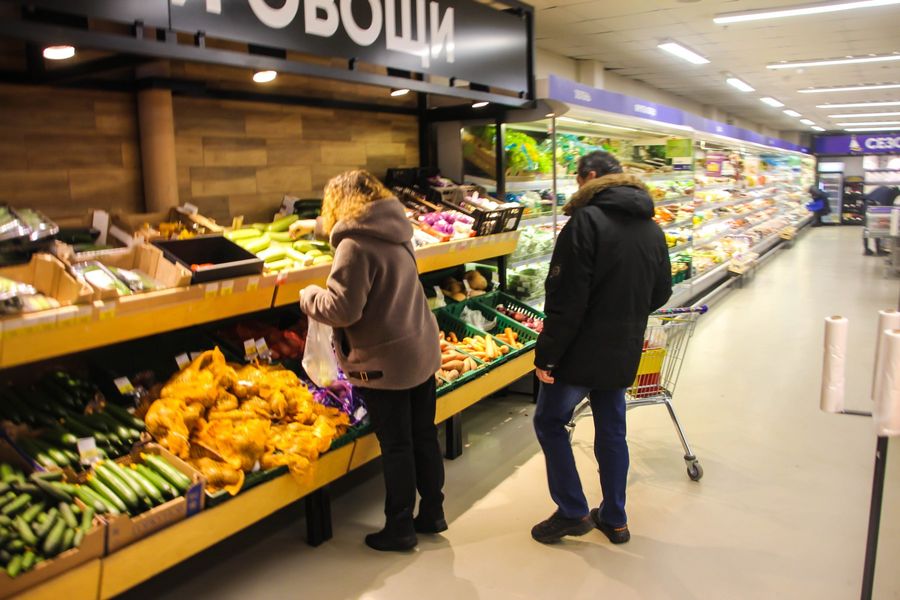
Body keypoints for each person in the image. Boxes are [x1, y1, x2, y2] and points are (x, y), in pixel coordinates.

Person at [299, 170, 445, 552]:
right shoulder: (397, 229)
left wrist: (308, 295)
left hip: (386, 361)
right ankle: (433, 512)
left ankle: (400, 527)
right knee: (423, 434)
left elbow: (342, 309)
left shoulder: (353, 246)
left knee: (397, 445)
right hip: (420, 347)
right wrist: (313, 227)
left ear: (339, 203)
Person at [531, 151, 672, 545]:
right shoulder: (651, 227)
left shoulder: (585, 222)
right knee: (612, 430)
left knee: (549, 422)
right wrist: (626, 316)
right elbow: (661, 291)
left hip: (578, 351)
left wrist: (547, 356)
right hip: (624, 346)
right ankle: (615, 518)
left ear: (589, 176)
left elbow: (566, 299)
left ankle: (572, 511)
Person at [863, 186, 899, 256]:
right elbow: (887, 207)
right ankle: (878, 250)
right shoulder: (890, 194)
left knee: (866, 228)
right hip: (873, 205)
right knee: (876, 228)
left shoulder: (885, 188)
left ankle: (867, 250)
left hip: (867, 204)